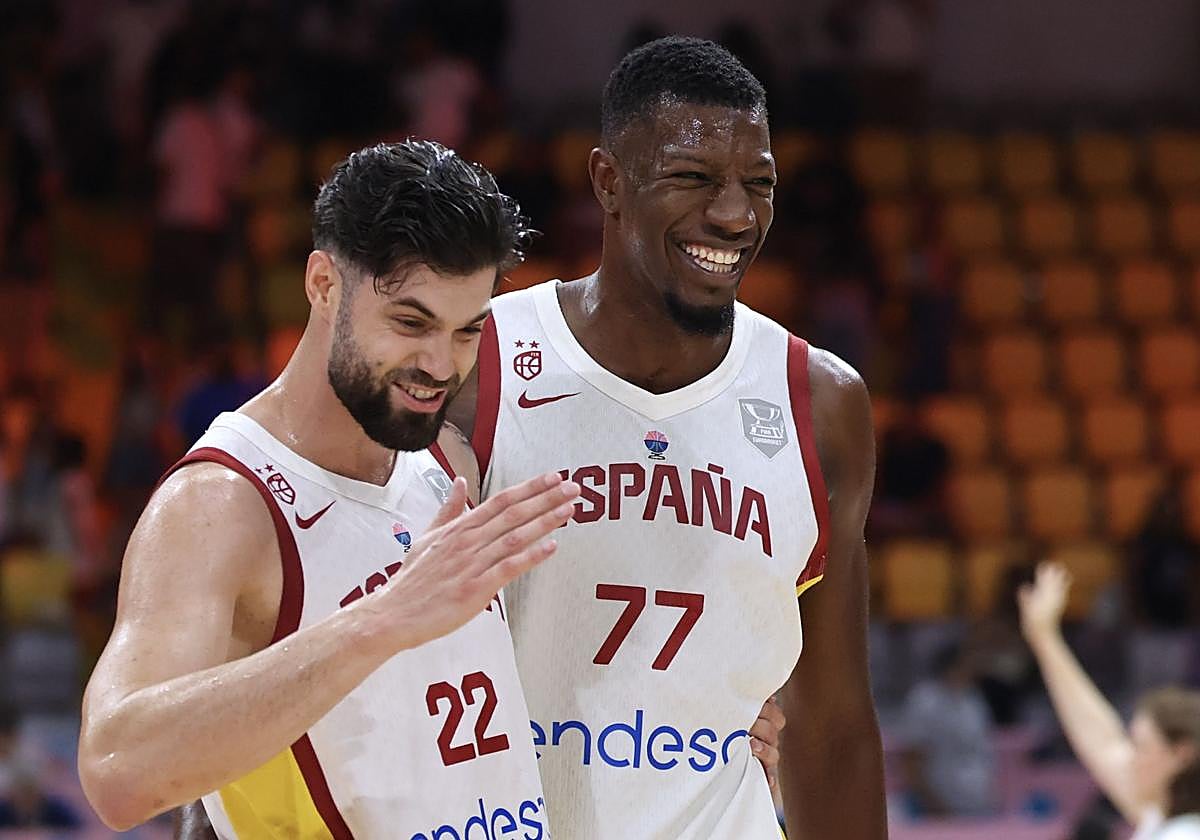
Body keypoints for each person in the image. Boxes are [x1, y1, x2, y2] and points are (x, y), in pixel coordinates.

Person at [78, 139, 584, 836]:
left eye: (467, 331)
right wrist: (380, 620)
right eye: (411, 322)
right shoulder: (221, 504)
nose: (439, 365)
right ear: (323, 285)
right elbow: (117, 771)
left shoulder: (444, 460)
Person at [448, 36, 886, 839]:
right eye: (692, 178)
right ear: (608, 183)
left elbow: (832, 727)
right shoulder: (477, 362)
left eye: (759, 185)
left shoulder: (822, 403)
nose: (734, 215)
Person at [1019, 562, 1200, 840]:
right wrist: (1045, 638)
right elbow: (1103, 741)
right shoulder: (1165, 822)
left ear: (1181, 754)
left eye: (1141, 747)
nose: (1130, 758)